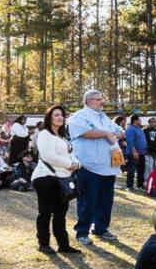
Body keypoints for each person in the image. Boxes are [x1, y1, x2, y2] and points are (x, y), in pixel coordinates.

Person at [69, 89, 124, 244]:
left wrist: (116, 133)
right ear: (89, 101)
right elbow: (85, 132)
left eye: (102, 98)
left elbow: (119, 131)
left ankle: (101, 228)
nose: (102, 102)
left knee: (106, 200)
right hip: (89, 166)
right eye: (99, 99)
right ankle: (82, 232)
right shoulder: (79, 116)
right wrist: (107, 134)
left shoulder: (103, 117)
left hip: (108, 166)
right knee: (88, 200)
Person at [32, 104, 82, 254]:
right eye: (56, 115)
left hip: (63, 179)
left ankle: (64, 245)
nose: (60, 117)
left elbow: (71, 154)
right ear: (49, 118)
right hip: (45, 178)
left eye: (62, 115)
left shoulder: (63, 136)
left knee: (61, 214)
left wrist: (77, 163)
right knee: (45, 212)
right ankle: (44, 243)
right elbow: (48, 156)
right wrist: (69, 164)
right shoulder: (44, 134)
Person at [124, 114, 148, 191]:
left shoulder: (139, 128)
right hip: (133, 153)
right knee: (131, 170)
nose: (140, 121)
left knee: (141, 170)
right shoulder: (130, 129)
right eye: (139, 119)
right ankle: (129, 186)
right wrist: (134, 152)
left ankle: (140, 185)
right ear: (135, 120)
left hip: (141, 153)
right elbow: (130, 141)